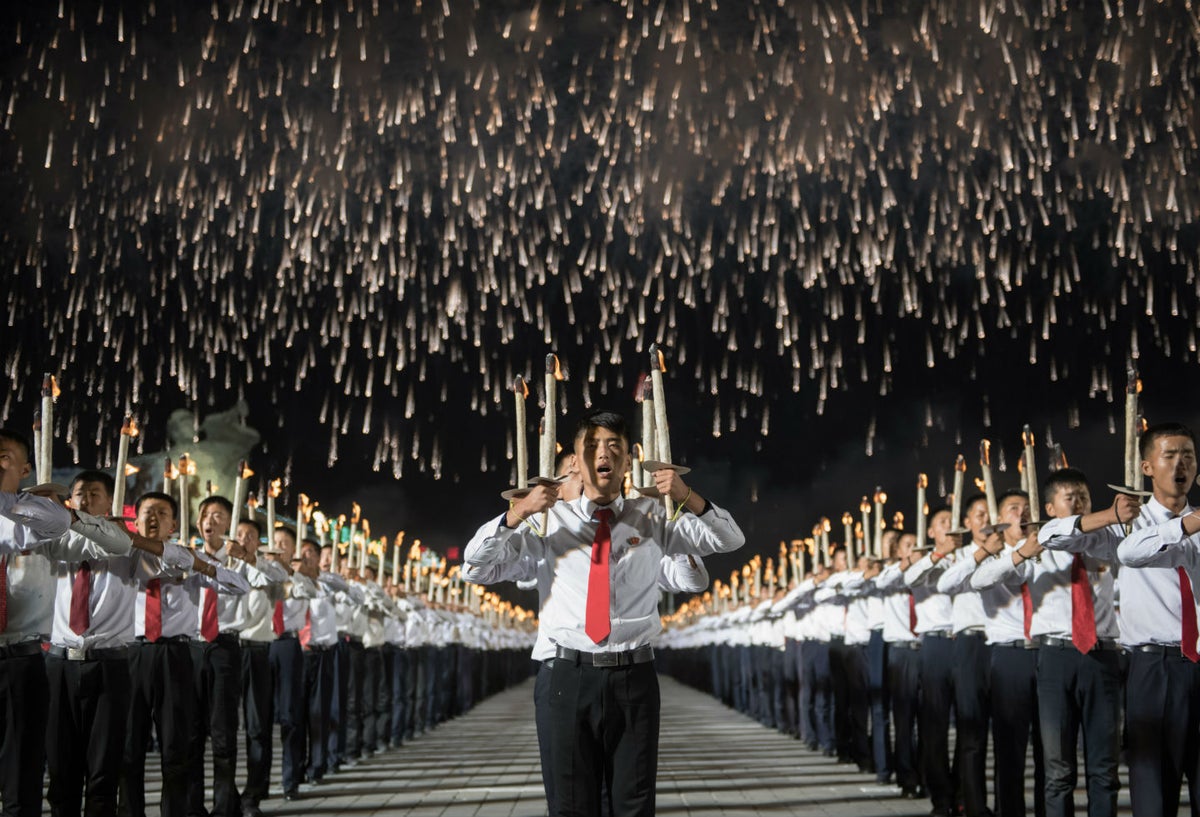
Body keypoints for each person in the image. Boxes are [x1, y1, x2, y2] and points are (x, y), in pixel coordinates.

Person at [465, 408, 744, 817]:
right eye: (592, 445)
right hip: (567, 675)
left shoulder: (651, 516)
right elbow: (475, 569)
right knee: (572, 804)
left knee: (633, 803)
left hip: (634, 676)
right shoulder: (547, 523)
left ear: (627, 461)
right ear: (576, 464)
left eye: (614, 446)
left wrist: (687, 496)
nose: (603, 453)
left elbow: (729, 540)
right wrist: (518, 513)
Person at [976, 467, 1126, 817]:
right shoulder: (1038, 549)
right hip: (1056, 658)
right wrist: (1021, 553)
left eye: (1084, 497)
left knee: (1104, 769)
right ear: (1049, 508)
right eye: (1069, 498)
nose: (1079, 503)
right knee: (1058, 770)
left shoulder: (1105, 542)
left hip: (1102, 657)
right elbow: (980, 579)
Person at [120, 492, 249, 817]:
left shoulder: (189, 559)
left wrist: (200, 565)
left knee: (177, 747)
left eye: (161, 513)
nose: (153, 518)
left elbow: (240, 586)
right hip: (133, 653)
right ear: (135, 520)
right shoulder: (123, 555)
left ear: (174, 524)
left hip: (177, 656)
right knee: (129, 747)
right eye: (147, 512)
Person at [1112, 423, 1199, 816]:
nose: (1181, 464)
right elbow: (1130, 553)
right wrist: (1189, 524)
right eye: (1170, 455)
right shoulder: (1130, 521)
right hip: (1155, 667)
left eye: (1188, 456)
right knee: (1155, 790)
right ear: (1147, 466)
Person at [187, 496, 281, 817]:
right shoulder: (186, 556)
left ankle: (225, 805)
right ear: (198, 522)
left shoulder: (239, 562)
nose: (210, 520)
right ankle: (193, 805)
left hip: (225, 647)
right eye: (205, 514)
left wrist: (249, 558)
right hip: (192, 646)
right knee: (192, 732)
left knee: (223, 732)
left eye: (218, 515)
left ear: (229, 524)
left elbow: (272, 579)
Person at [0, 428, 73, 817]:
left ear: (25, 468)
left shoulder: (37, 515)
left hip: (20, 660)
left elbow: (56, 522)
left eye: (4, 457)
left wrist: (22, 503)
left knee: (21, 773)